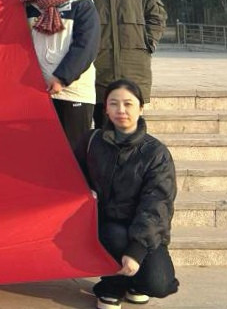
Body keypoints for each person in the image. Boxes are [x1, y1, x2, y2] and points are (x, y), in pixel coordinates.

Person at [76, 79, 179, 309]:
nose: (121, 110)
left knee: (159, 283)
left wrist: (137, 249)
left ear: (141, 108)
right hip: (103, 227)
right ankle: (112, 286)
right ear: (105, 109)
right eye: (114, 104)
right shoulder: (91, 142)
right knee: (113, 234)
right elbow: (71, 175)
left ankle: (133, 283)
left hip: (143, 229)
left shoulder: (156, 153)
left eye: (128, 104)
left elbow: (158, 204)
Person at [84, 0, 166, 126]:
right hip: (97, 69)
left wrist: (148, 43)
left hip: (133, 67)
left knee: (132, 128)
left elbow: (157, 16)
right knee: (103, 128)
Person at [22, 0, 100, 147]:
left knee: (74, 150)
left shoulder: (82, 4)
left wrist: (62, 78)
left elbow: (86, 47)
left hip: (73, 91)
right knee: (43, 150)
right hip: (39, 91)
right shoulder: (32, 4)